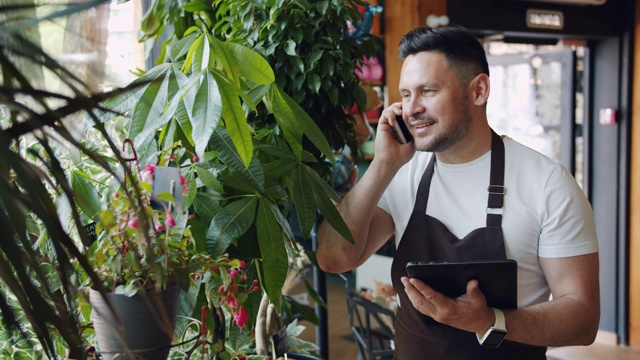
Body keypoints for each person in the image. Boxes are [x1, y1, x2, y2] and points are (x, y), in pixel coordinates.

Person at [316, 25, 600, 359]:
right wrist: (382, 165)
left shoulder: (547, 183)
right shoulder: (401, 173)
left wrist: (492, 320)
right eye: (406, 95)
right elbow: (333, 258)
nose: (411, 109)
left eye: (428, 91)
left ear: (478, 91)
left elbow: (583, 319)